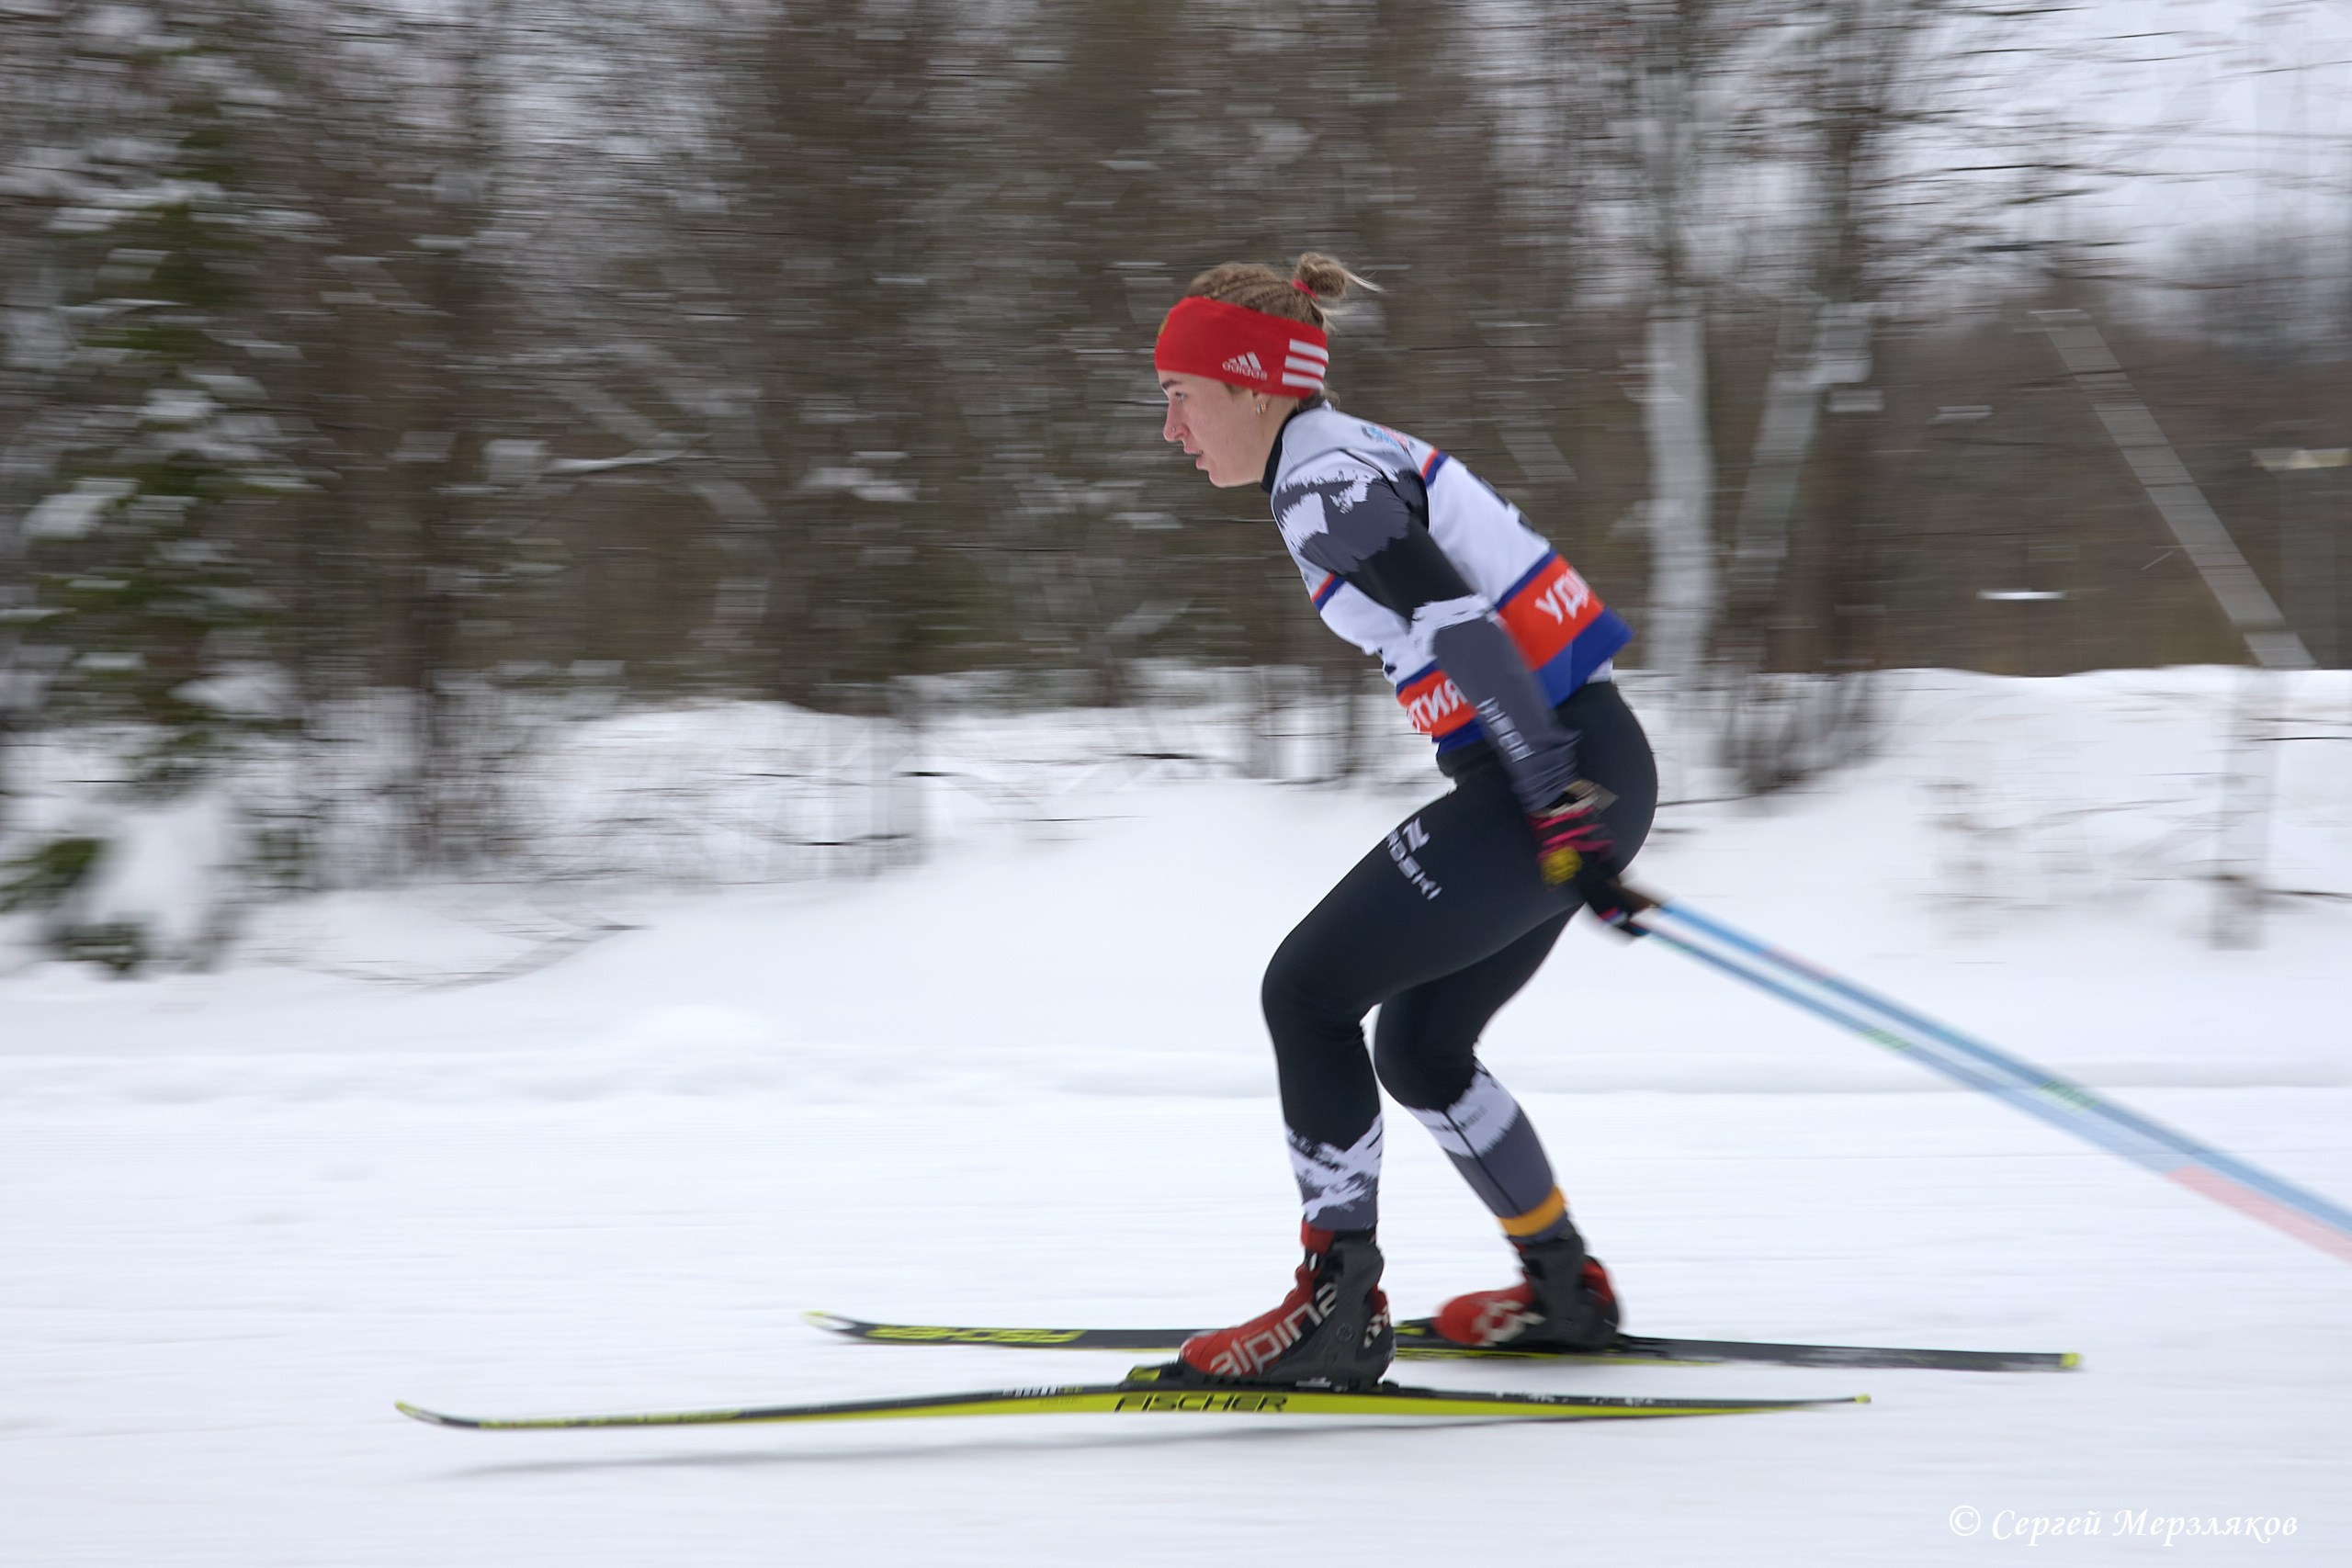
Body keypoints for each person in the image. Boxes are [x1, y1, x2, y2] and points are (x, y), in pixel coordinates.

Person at [1153, 253, 1659, 1389]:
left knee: (1305, 994)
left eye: (1179, 397)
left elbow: (1465, 627)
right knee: (1421, 1050)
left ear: (1248, 384)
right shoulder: (1341, 453)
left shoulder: (1321, 480)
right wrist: (1574, 812)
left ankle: (1335, 1312)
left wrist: (1550, 806)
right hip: (1586, 766)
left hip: (1550, 774)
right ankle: (1565, 1290)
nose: (1172, 431)